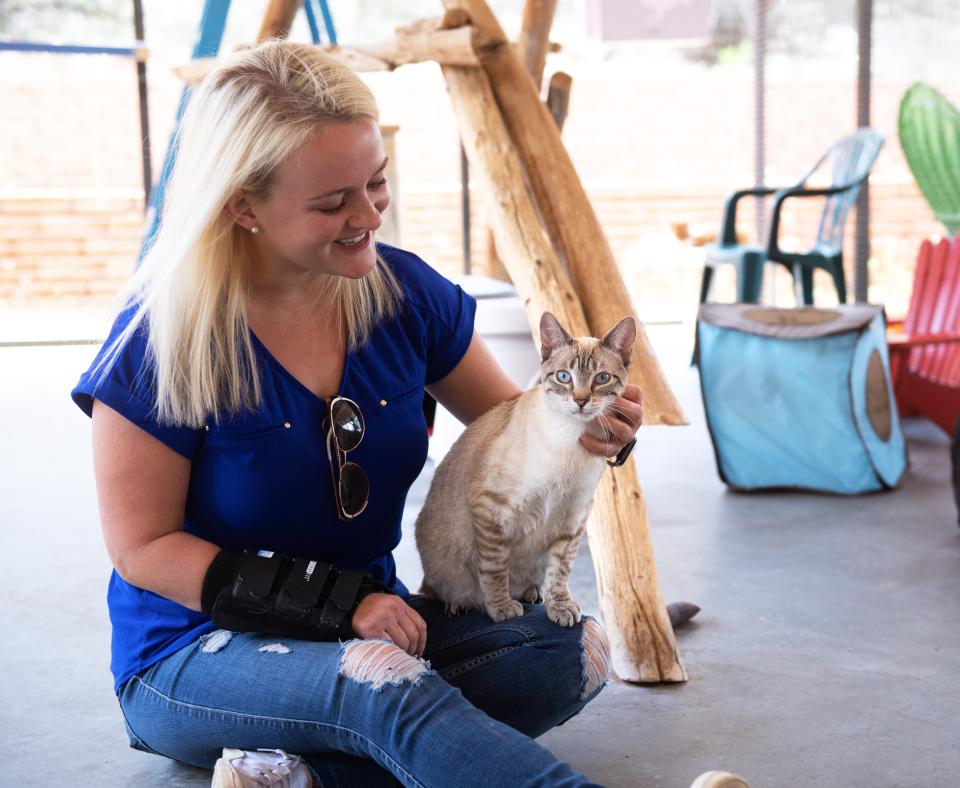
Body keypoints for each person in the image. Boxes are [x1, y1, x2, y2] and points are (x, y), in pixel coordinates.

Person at [72, 40, 744, 788]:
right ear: (242, 206)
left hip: (376, 625)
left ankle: (297, 778)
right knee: (380, 679)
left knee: (567, 654)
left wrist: (593, 432)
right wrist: (344, 609)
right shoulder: (158, 337)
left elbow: (515, 433)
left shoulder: (405, 293)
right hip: (195, 653)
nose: (368, 217)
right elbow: (143, 549)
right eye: (332, 203)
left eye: (377, 184)